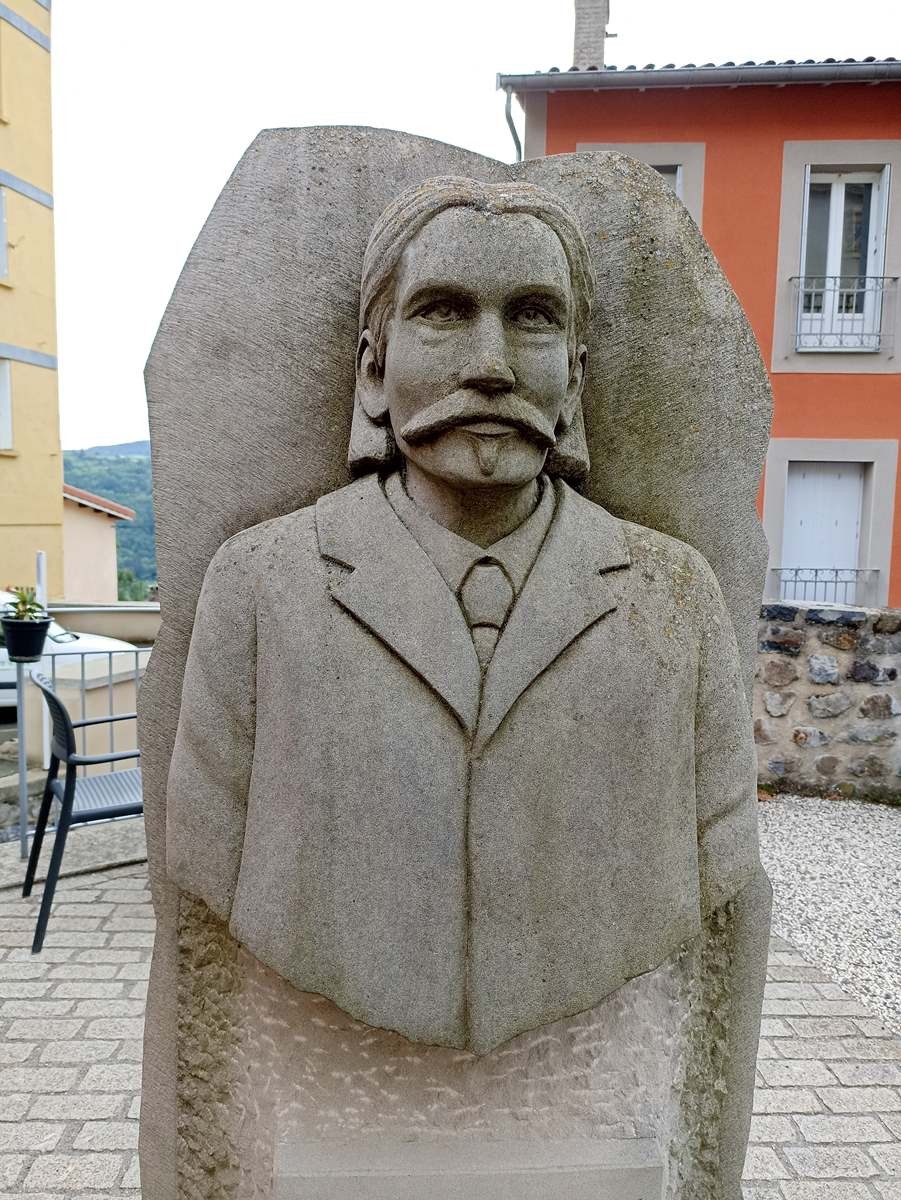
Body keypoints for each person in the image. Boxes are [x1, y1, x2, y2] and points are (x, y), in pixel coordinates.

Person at [167, 176, 764, 1061]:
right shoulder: (259, 586)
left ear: (575, 374)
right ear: (373, 369)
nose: (490, 363)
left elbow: (721, 870)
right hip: (319, 1051)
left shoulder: (674, 597)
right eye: (444, 312)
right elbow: (204, 860)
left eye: (532, 317)